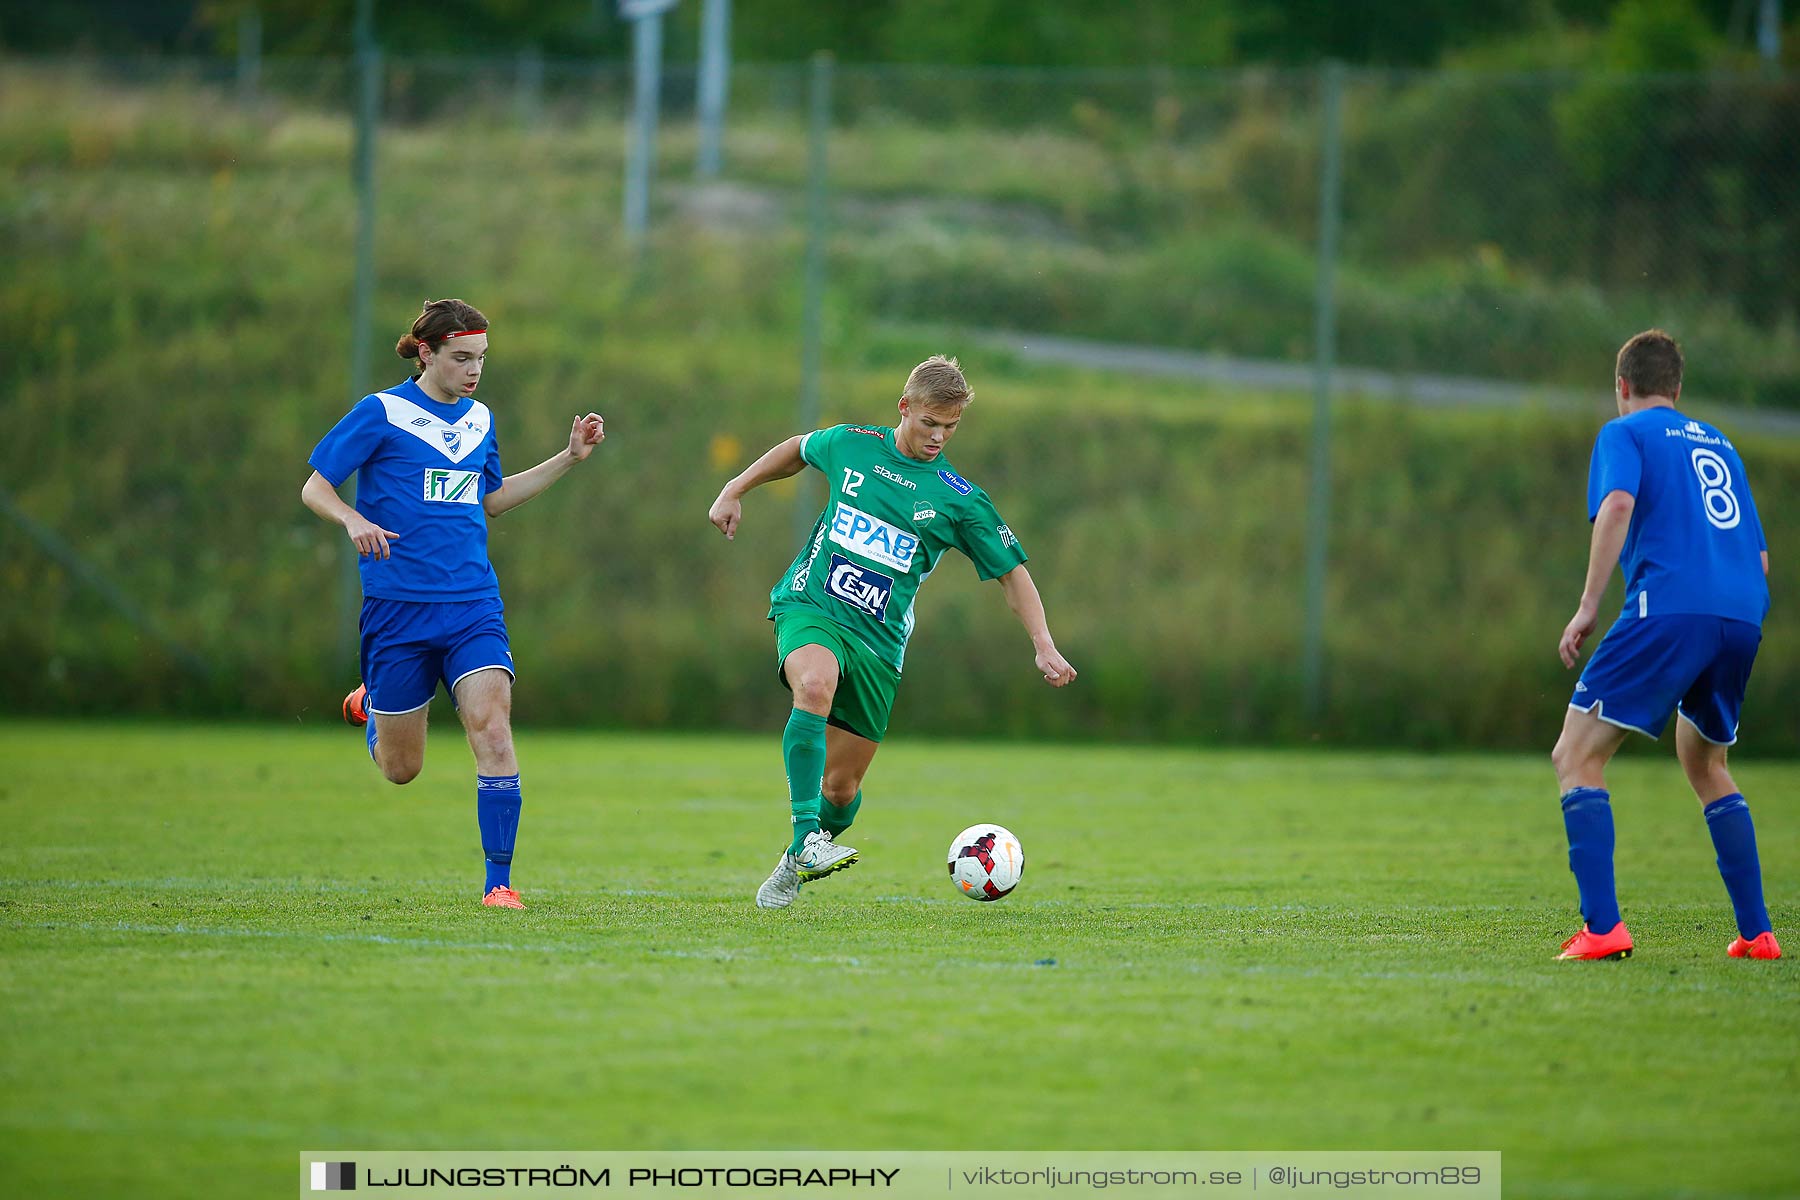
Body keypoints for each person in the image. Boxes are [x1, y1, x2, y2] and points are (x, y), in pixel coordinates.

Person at [708, 355, 1077, 909]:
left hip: (880, 645)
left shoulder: (958, 498)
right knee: (813, 684)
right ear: (904, 408)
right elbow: (796, 451)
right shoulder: (853, 444)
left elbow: (1012, 574)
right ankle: (806, 837)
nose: (939, 436)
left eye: (950, 427)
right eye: (930, 422)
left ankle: (797, 857)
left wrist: (1043, 644)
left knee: (841, 789)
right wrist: (734, 488)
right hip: (811, 605)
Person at [301, 298, 605, 909]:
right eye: (462, 358)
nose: (474, 371)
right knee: (401, 769)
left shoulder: (479, 420)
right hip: (398, 610)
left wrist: (568, 459)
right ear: (425, 352)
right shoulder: (381, 412)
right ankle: (374, 704)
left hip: (472, 605)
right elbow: (315, 487)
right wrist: (352, 519)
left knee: (493, 731)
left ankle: (500, 884)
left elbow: (491, 499)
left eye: (482, 360)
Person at [1551, 329, 1780, 961]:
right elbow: (1758, 557)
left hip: (1672, 608)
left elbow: (1619, 503)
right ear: (1677, 390)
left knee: (1576, 755)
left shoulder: (1623, 433)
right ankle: (1758, 934)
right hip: (1742, 615)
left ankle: (1602, 929)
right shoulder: (1722, 444)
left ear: (1622, 387)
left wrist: (1589, 605)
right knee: (1706, 762)